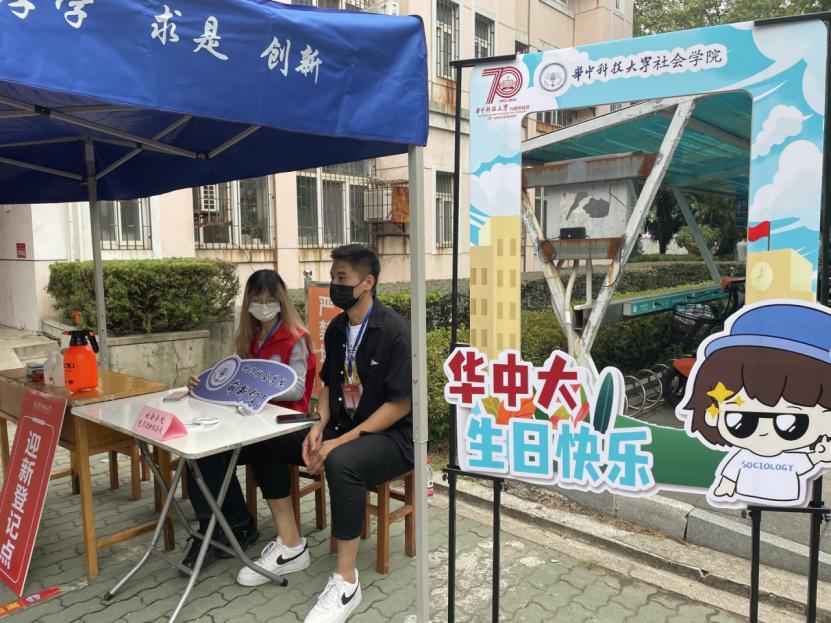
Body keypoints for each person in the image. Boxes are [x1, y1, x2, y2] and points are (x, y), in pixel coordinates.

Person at [234, 244, 413, 623]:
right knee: (268, 439)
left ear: (368, 282)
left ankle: (346, 581)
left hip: (393, 437)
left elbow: (399, 406)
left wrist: (337, 443)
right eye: (332, 277)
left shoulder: (395, 331)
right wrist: (318, 425)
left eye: (342, 277)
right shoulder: (337, 328)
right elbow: (330, 385)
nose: (334, 284)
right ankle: (291, 545)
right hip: (341, 423)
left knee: (342, 462)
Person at [181, 269, 316, 571]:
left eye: (270, 300)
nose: (263, 307)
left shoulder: (297, 337)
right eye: (257, 300)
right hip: (251, 422)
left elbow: (297, 388)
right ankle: (222, 527)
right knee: (204, 452)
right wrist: (204, 383)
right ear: (248, 303)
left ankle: (238, 529)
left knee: (257, 450)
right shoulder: (249, 336)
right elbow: (232, 375)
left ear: (281, 301)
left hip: (287, 424)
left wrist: (259, 387)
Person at [679, 303, 831, 507]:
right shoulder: (742, 456)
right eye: (742, 422)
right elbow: (729, 475)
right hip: (750, 492)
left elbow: (811, 461)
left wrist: (821, 455)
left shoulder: (794, 458)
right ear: (711, 414)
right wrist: (725, 486)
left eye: (791, 425)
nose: (764, 432)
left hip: (787, 497)